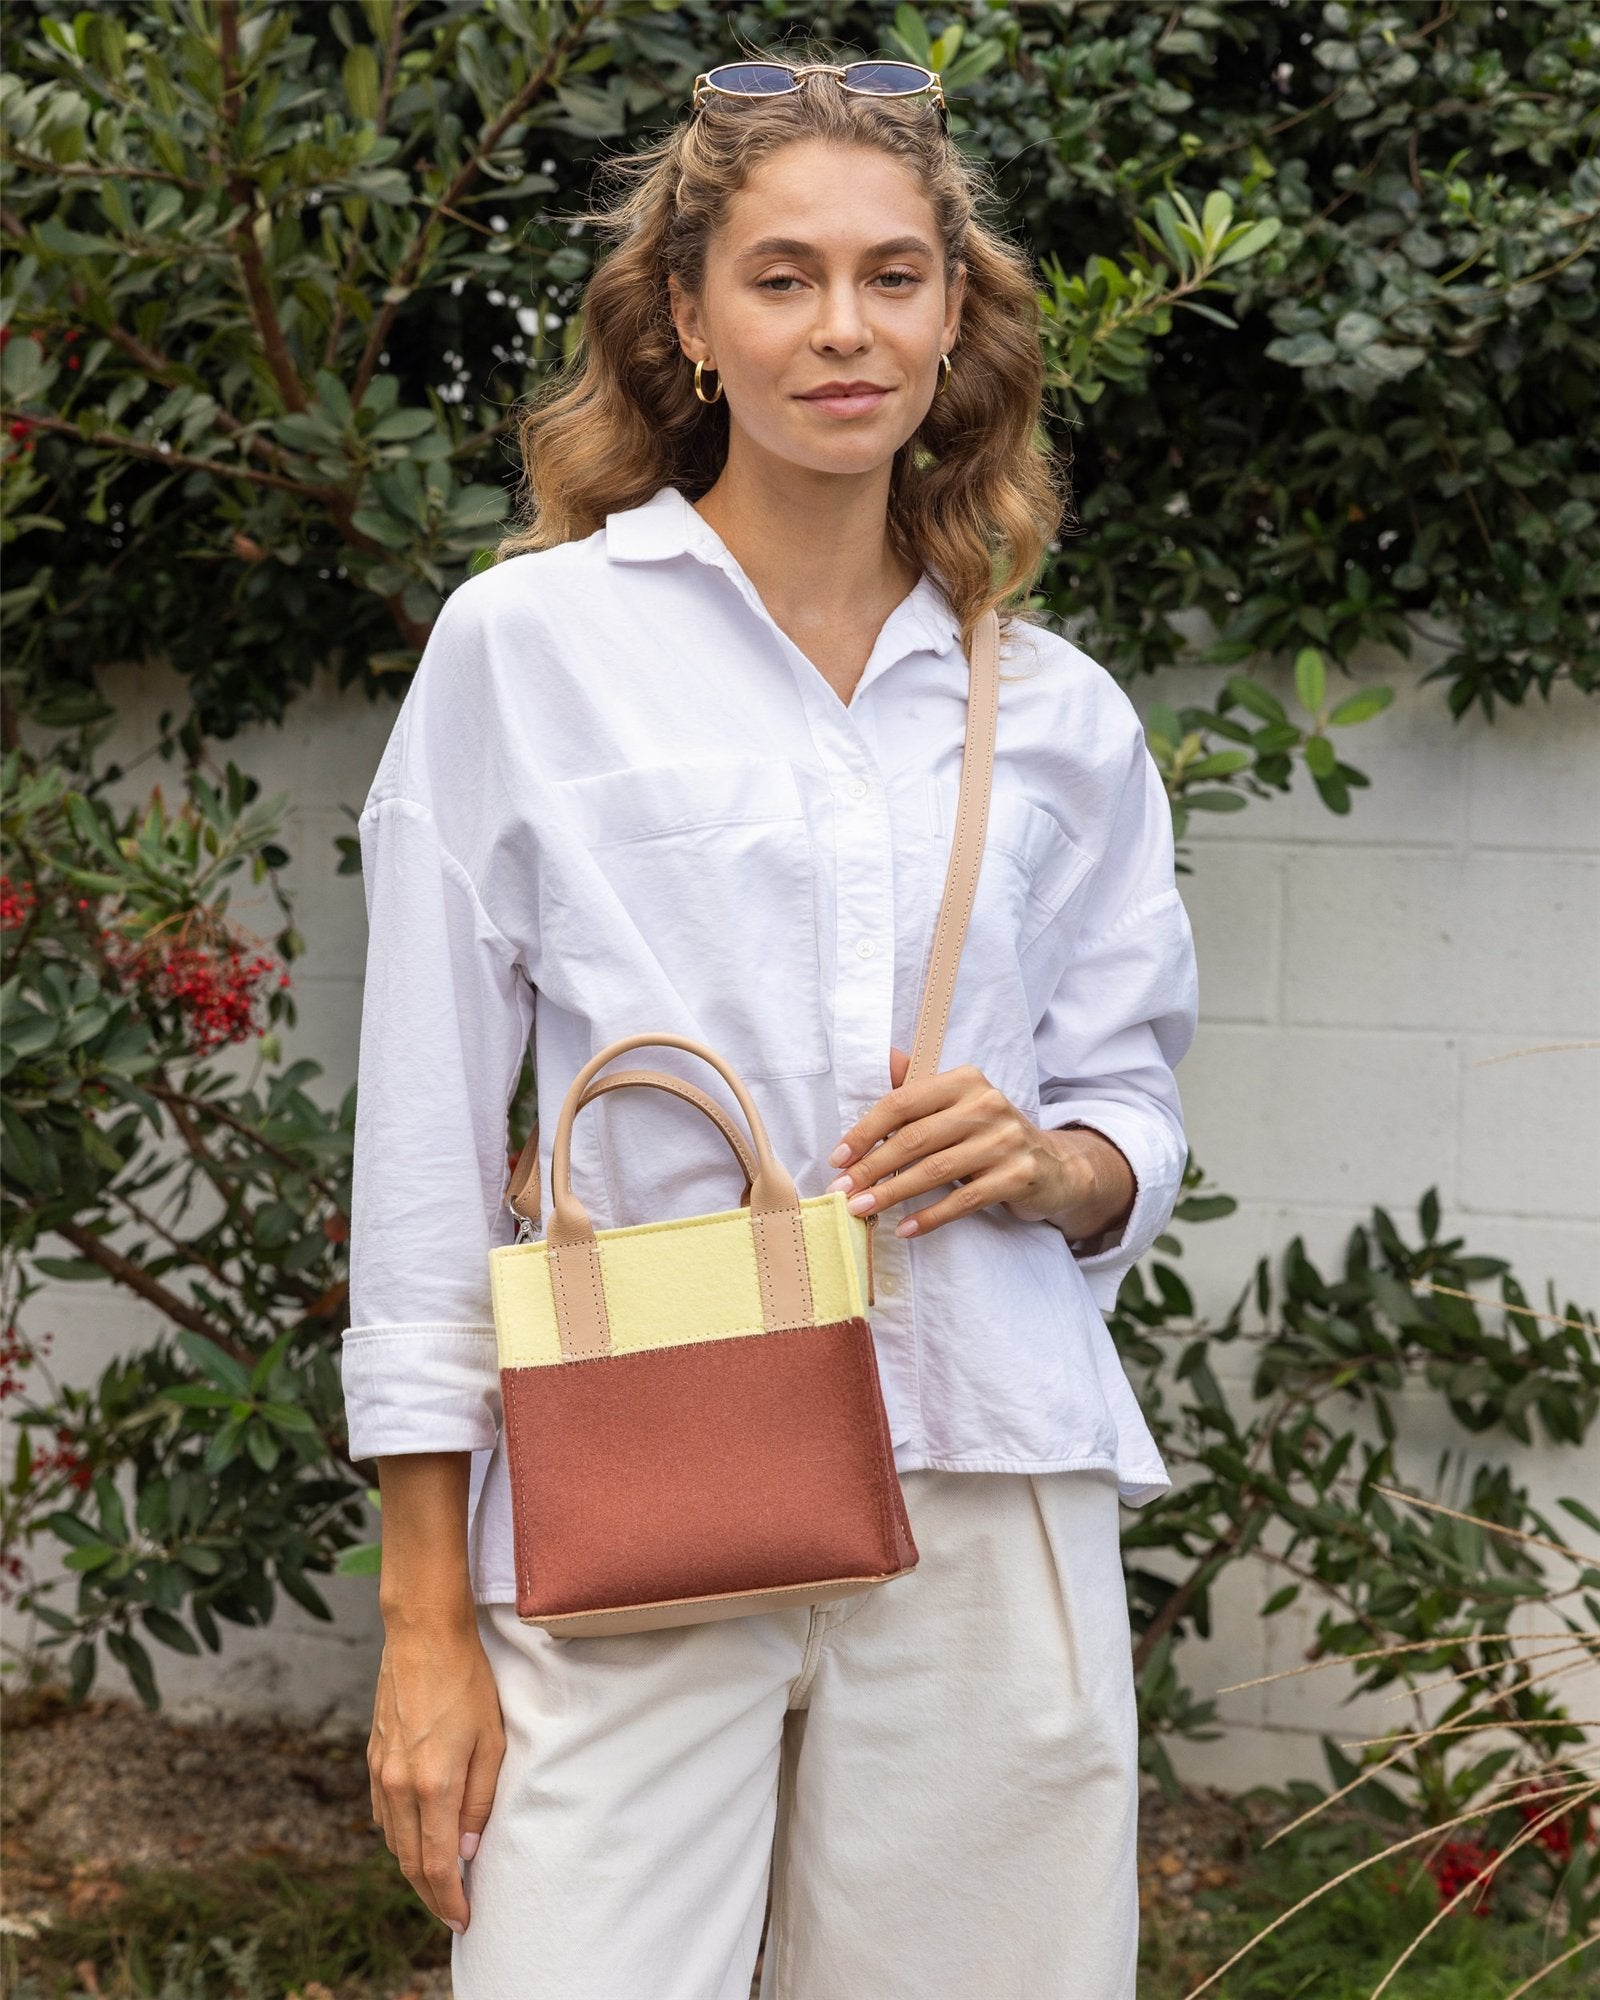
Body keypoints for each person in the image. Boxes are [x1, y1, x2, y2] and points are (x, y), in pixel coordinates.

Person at [341, 39, 1199, 2000]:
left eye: (892, 275)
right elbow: (418, 1133)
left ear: (952, 313)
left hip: (987, 1477)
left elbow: (1127, 1093)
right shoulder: (530, 646)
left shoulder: (1055, 709)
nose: (843, 327)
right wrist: (418, 1621)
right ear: (683, 314)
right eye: (782, 275)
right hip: (633, 1471)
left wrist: (1055, 1159)